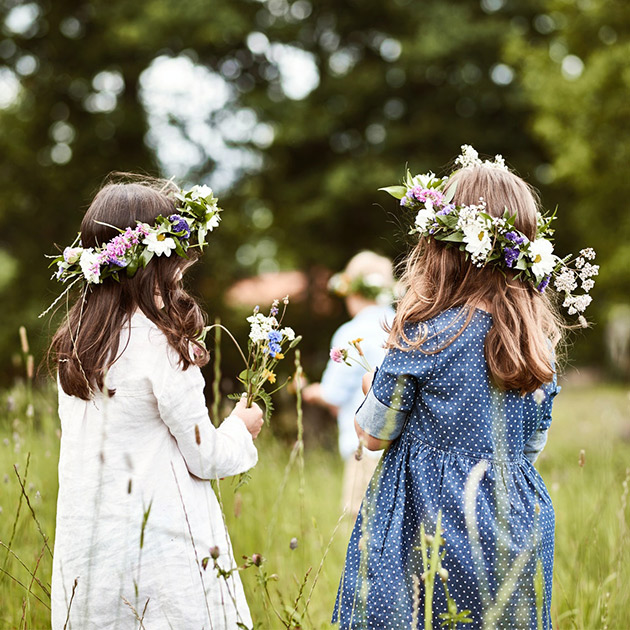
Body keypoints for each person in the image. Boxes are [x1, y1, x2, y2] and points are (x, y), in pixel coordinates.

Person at [333, 146, 596, 629]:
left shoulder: (427, 334)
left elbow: (373, 435)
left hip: (426, 524)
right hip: (513, 525)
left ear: (442, 248)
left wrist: (375, 388)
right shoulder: (533, 350)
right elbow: (528, 448)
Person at [47, 177, 264, 630]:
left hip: (91, 547)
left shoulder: (78, 345)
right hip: (160, 544)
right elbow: (205, 456)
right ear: (158, 261)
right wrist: (241, 427)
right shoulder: (160, 345)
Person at [302, 251, 395, 519]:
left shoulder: (352, 333)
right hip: (399, 450)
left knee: (359, 525)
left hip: (364, 445)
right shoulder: (401, 327)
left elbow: (333, 393)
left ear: (353, 291)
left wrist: (310, 391)